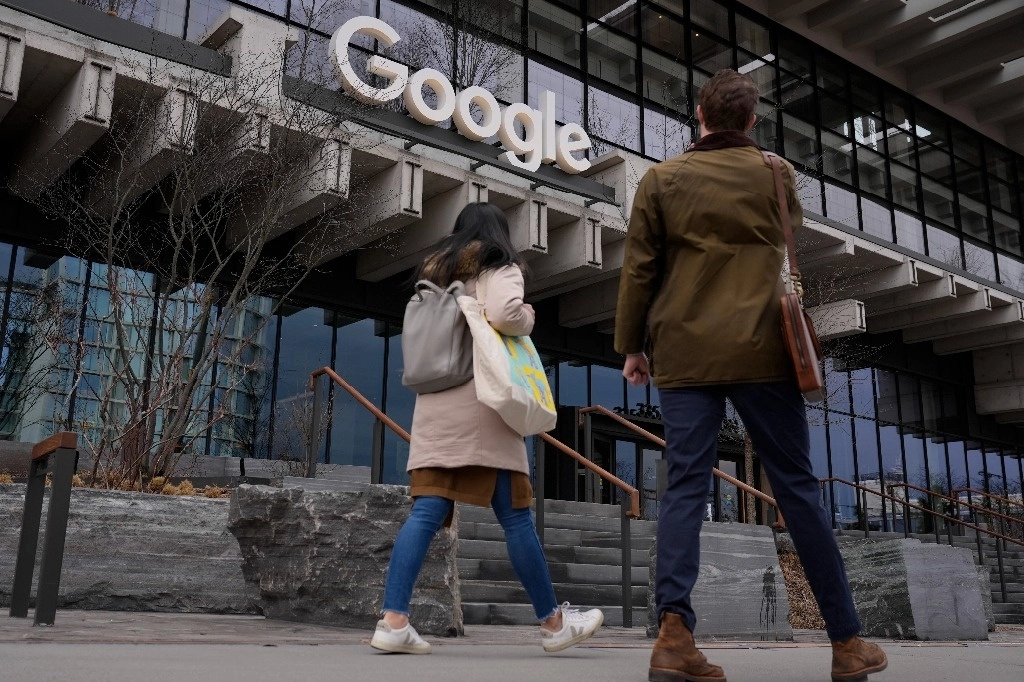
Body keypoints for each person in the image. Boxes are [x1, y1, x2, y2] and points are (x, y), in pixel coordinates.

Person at [614, 69, 888, 682]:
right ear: (751, 121)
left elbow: (639, 269)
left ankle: (674, 636)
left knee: (685, 487)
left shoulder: (660, 179)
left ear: (699, 115)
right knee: (796, 489)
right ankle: (846, 642)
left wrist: (632, 346)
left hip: (685, 351)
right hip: (764, 349)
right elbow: (790, 232)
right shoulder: (774, 172)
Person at [371, 201, 604, 655]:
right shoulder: (498, 264)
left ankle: (394, 621)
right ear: (498, 234)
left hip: (435, 412)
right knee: (515, 516)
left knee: (425, 513)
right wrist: (529, 316)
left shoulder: (435, 277)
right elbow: (505, 314)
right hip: (483, 412)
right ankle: (555, 624)